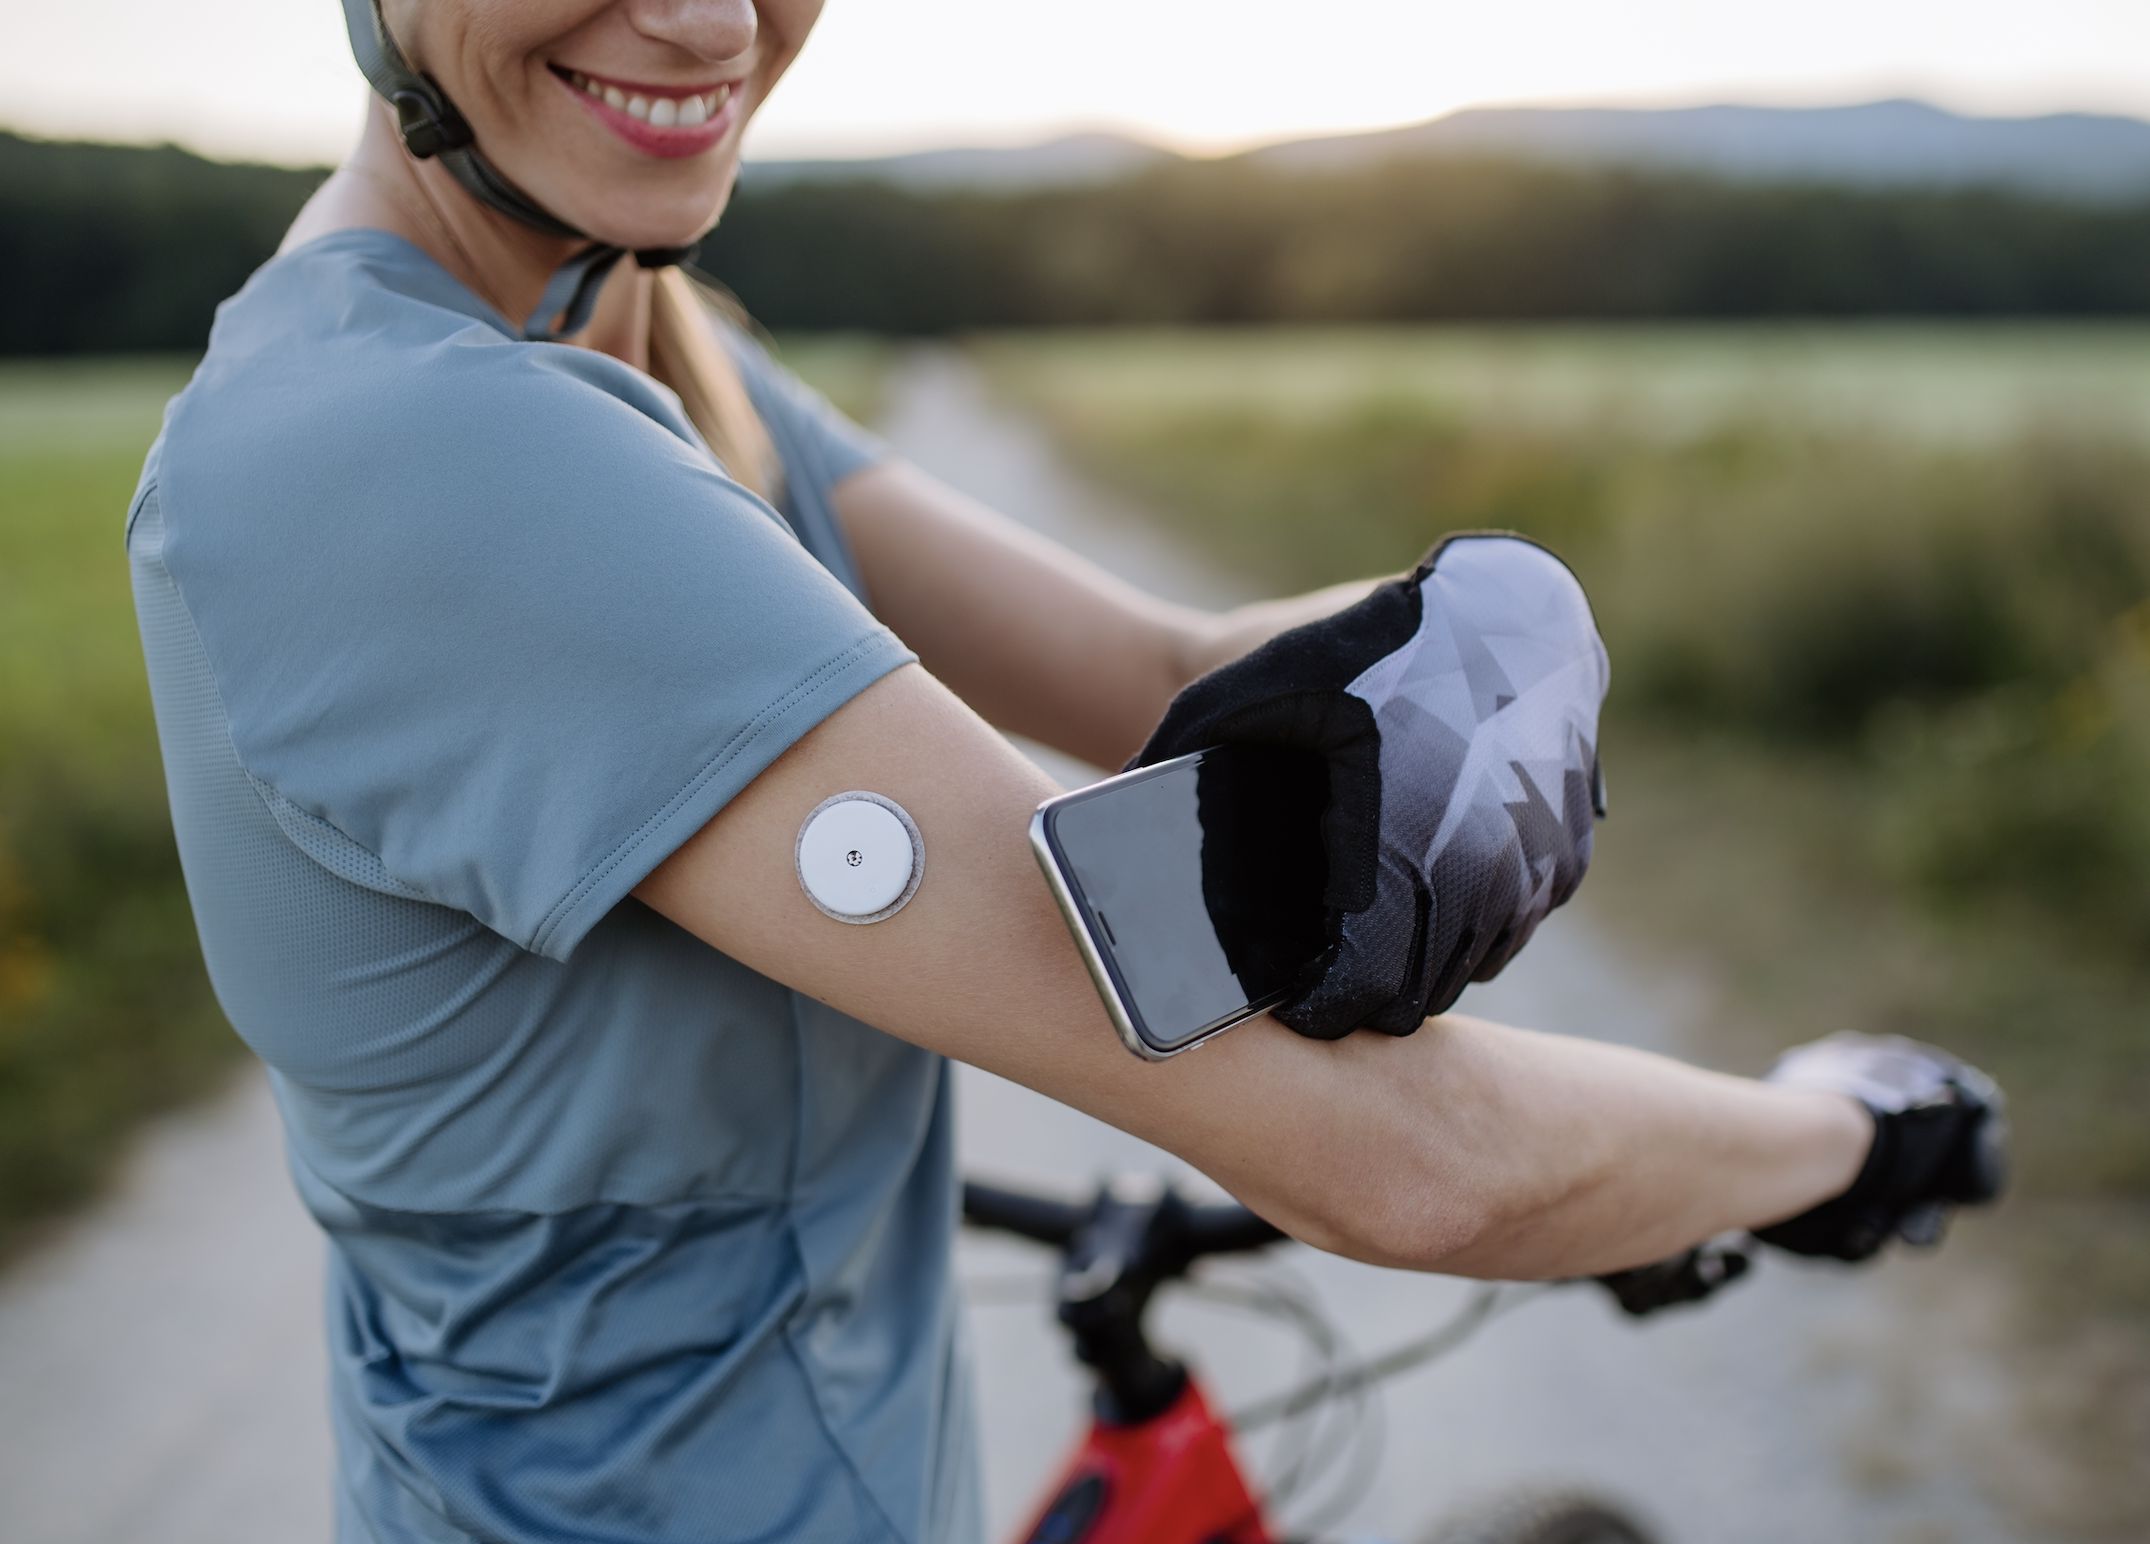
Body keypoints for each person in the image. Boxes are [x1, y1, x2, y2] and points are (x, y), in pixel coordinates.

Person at [124, 1, 2002, 1540]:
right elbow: (1399, 1166)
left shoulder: (627, 333)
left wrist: (1503, 621)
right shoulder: (418, 458)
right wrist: (1832, 1133)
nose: (706, 21)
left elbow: (1156, 673)